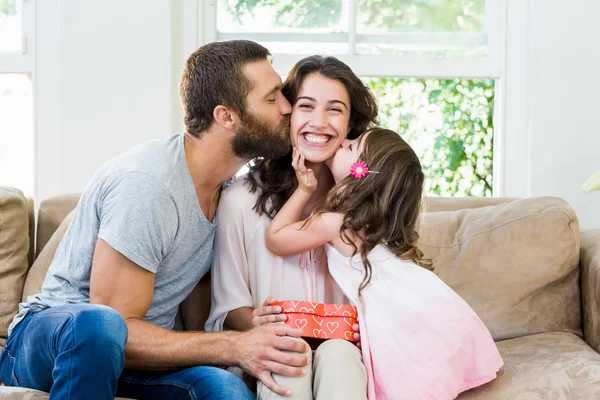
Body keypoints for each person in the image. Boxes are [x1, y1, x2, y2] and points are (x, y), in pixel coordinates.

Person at [0, 40, 311, 400]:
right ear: (226, 116)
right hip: (53, 343)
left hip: (135, 363)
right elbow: (115, 327)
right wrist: (233, 346)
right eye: (273, 99)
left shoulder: (229, 189)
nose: (288, 108)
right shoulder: (148, 187)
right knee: (100, 326)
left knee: (224, 389)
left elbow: (197, 289)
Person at [265, 128, 504, 400]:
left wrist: (304, 189)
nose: (344, 140)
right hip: (419, 301)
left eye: (352, 146)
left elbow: (276, 239)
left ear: (361, 172)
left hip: (401, 311)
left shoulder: (336, 223)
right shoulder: (375, 226)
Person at [204, 55, 379, 399]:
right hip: (272, 353)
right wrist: (263, 322)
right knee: (289, 356)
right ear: (287, 113)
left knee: (338, 354)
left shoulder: (368, 205)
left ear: (351, 123)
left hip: (345, 354)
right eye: (306, 106)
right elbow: (228, 309)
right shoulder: (240, 200)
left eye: (335, 109)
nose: (319, 122)